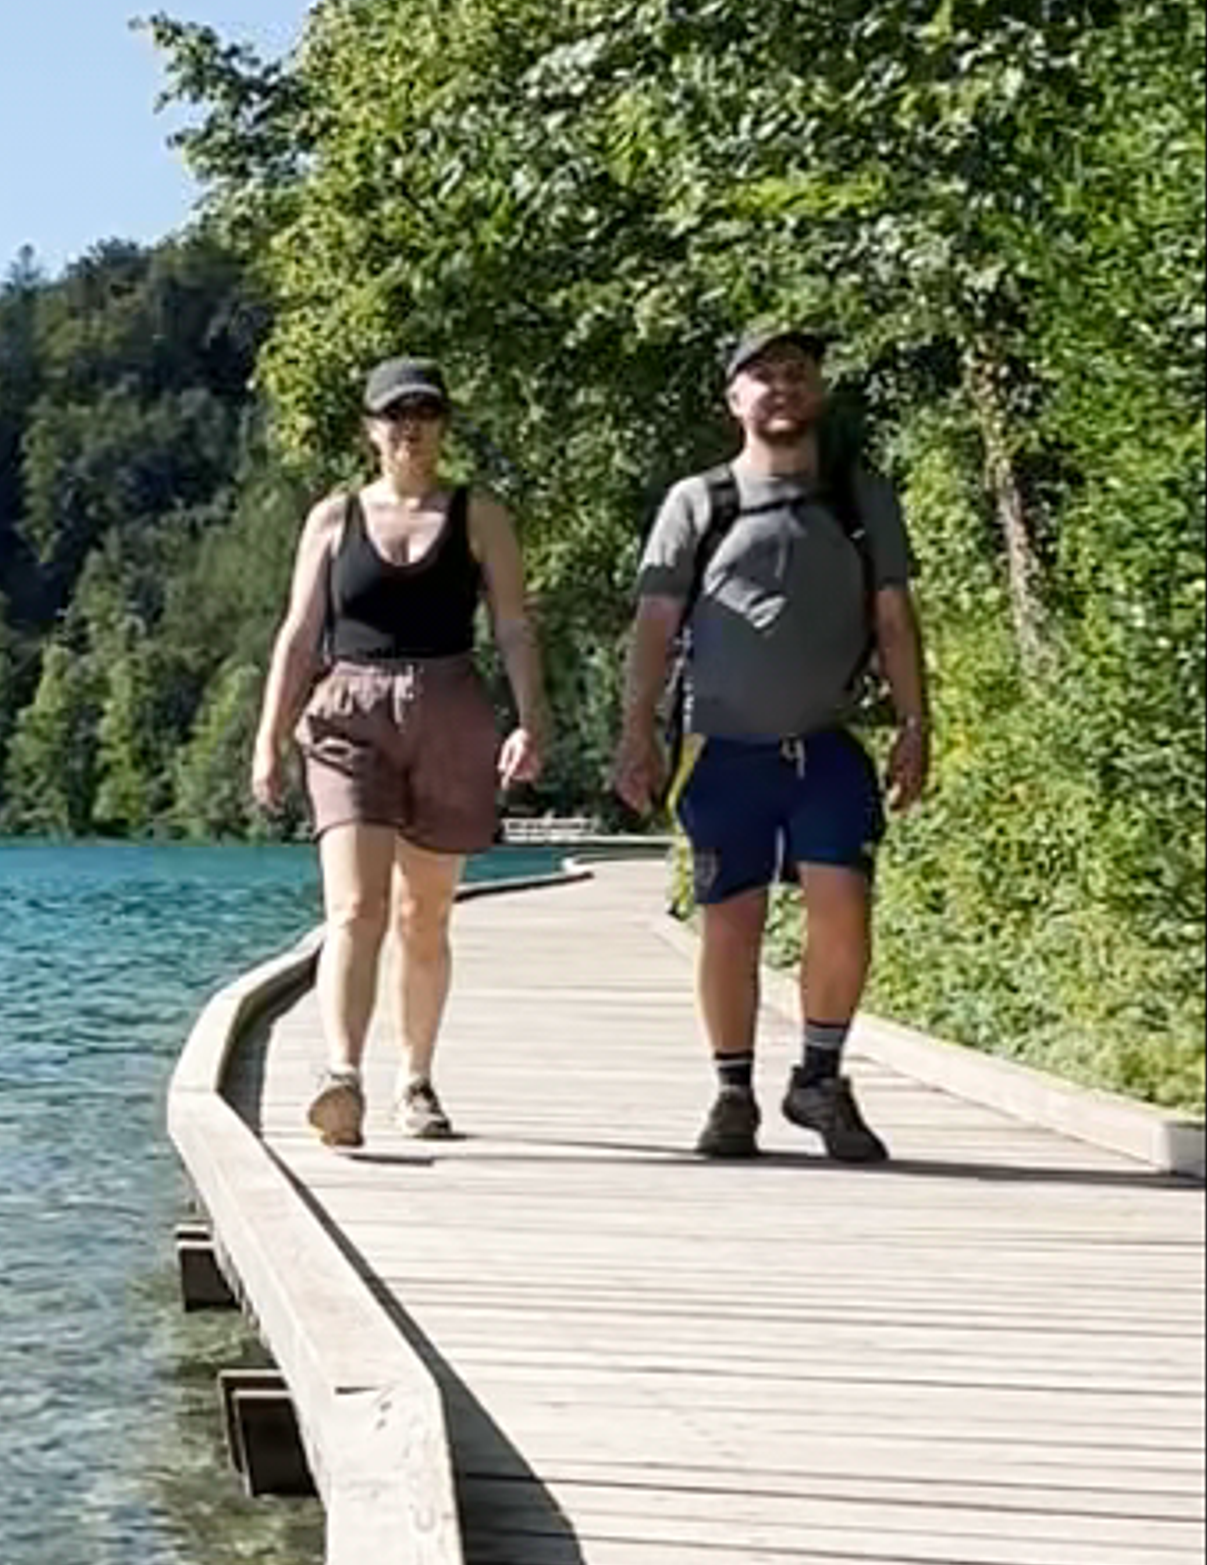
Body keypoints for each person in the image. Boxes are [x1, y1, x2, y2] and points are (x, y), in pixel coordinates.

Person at [612, 321, 926, 1165]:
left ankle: (818, 1078)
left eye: (796, 373)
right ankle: (732, 1092)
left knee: (844, 904)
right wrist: (635, 731)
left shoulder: (861, 499)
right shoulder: (699, 501)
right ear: (734, 399)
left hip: (825, 744)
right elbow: (654, 622)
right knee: (731, 921)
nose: (781, 387)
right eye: (762, 374)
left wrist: (914, 721)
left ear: (816, 392)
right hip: (723, 750)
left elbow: (894, 616)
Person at [249, 361, 548, 1150]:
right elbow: (297, 633)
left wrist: (530, 719)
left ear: (443, 425)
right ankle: (340, 1076)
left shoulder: (478, 514)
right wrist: (268, 739)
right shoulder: (332, 518)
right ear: (369, 428)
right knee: (355, 906)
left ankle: (414, 1080)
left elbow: (514, 624)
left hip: (450, 709)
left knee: (425, 915)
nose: (409, 427)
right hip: (348, 714)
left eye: (424, 412)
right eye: (394, 414)